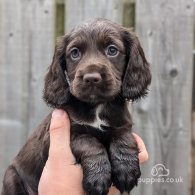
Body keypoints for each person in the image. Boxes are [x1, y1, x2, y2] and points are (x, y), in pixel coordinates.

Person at [38, 109, 149, 195]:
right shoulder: (69, 111)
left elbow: (122, 132)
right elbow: (57, 143)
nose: (92, 77)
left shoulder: (119, 112)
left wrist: (124, 151)